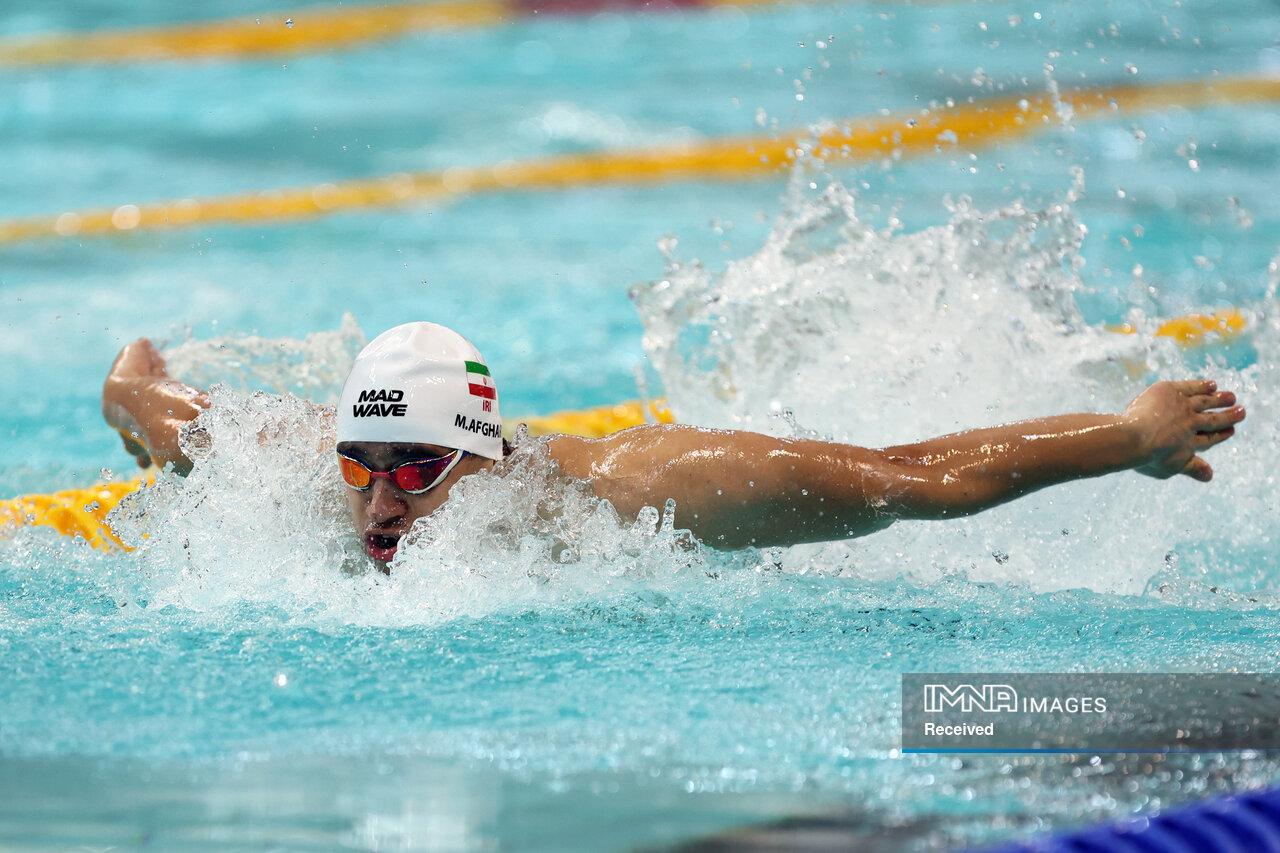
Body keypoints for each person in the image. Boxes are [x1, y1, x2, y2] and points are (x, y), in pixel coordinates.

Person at [103, 322, 1245, 568]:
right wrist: (128, 386)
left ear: (484, 457)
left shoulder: (644, 497)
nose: (378, 503)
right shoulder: (314, 467)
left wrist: (1129, 437)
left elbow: (917, 481)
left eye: (416, 469)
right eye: (363, 463)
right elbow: (155, 409)